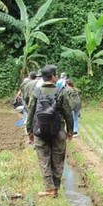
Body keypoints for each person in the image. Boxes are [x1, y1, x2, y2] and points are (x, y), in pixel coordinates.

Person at [26, 65, 74, 197]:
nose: (57, 76)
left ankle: (49, 188)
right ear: (53, 76)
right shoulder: (61, 91)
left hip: (40, 130)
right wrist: (70, 130)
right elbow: (68, 112)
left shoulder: (36, 91)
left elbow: (31, 111)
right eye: (56, 74)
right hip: (58, 130)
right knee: (58, 159)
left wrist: (29, 130)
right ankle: (56, 187)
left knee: (43, 159)